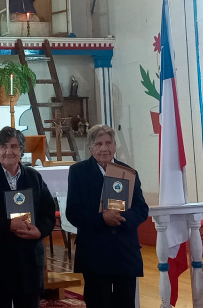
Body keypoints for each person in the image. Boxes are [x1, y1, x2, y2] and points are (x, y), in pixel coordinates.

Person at [0, 127, 57, 308]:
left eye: (14, 146)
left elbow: (48, 211)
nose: (9, 151)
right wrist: (8, 225)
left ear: (22, 150)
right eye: (3, 146)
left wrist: (39, 230)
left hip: (29, 260)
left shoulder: (33, 176)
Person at [65, 125, 148, 308]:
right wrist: (102, 218)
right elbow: (73, 212)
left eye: (108, 143)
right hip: (95, 252)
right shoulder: (78, 172)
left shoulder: (128, 172)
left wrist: (123, 218)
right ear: (90, 148)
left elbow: (142, 208)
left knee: (125, 303)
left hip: (124, 251)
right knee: (98, 302)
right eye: (98, 144)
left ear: (115, 146)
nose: (104, 148)